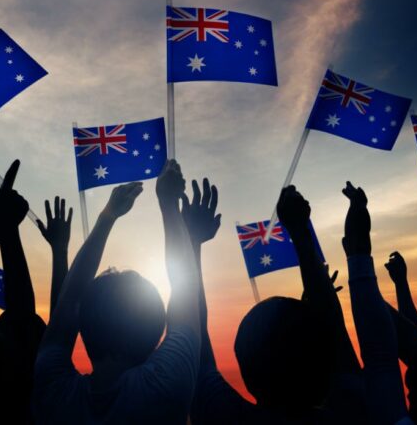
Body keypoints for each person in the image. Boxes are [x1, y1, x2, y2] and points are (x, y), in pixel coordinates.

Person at [33, 159, 201, 424]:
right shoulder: (166, 388)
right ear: (157, 328)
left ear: (84, 326)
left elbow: (68, 302)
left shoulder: (53, 392)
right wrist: (169, 205)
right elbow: (187, 288)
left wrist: (106, 218)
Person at [191, 184, 365, 424]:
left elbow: (194, 335)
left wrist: (191, 244)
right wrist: (300, 230)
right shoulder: (356, 411)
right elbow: (334, 331)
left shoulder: (227, 416)